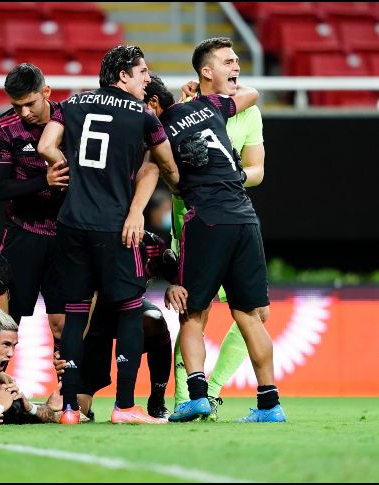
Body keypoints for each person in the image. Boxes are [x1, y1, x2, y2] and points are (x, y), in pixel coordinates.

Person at [37, 45, 180, 425]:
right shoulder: (144, 116)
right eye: (142, 72)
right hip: (116, 228)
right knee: (130, 310)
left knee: (74, 314)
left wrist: (67, 169)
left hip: (71, 224)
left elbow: (45, 145)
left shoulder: (73, 103)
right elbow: (166, 163)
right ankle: (125, 407)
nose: (147, 78)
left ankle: (68, 409)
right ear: (122, 77)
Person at [143, 69, 285, 423]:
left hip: (205, 220)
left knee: (193, 313)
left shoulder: (157, 130)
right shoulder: (211, 107)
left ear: (154, 102)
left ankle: (197, 397)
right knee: (251, 316)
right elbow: (250, 94)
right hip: (244, 215)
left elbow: (172, 179)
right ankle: (270, 405)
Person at [170, 37, 268, 421]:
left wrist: (230, 176)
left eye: (238, 61)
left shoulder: (248, 110)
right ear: (207, 71)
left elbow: (257, 170)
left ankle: (209, 391)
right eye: (229, 61)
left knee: (256, 312)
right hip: (195, 220)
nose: (237, 67)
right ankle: (184, 397)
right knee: (195, 310)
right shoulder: (188, 110)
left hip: (230, 210)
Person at [53, 231, 186, 422]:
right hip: (93, 319)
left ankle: (157, 399)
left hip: (131, 313)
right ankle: (71, 403)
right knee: (80, 406)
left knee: (154, 319)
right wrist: (66, 350)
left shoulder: (152, 244)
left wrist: (174, 285)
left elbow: (175, 274)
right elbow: (78, 310)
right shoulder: (97, 243)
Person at [0, 63, 68, 349]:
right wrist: (45, 180)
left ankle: (63, 393)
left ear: (46, 91)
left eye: (30, 104)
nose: (24, 112)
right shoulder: (2, 129)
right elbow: (0, 188)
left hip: (66, 236)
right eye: (17, 105)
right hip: (24, 233)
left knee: (63, 324)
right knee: (7, 323)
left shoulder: (71, 119)